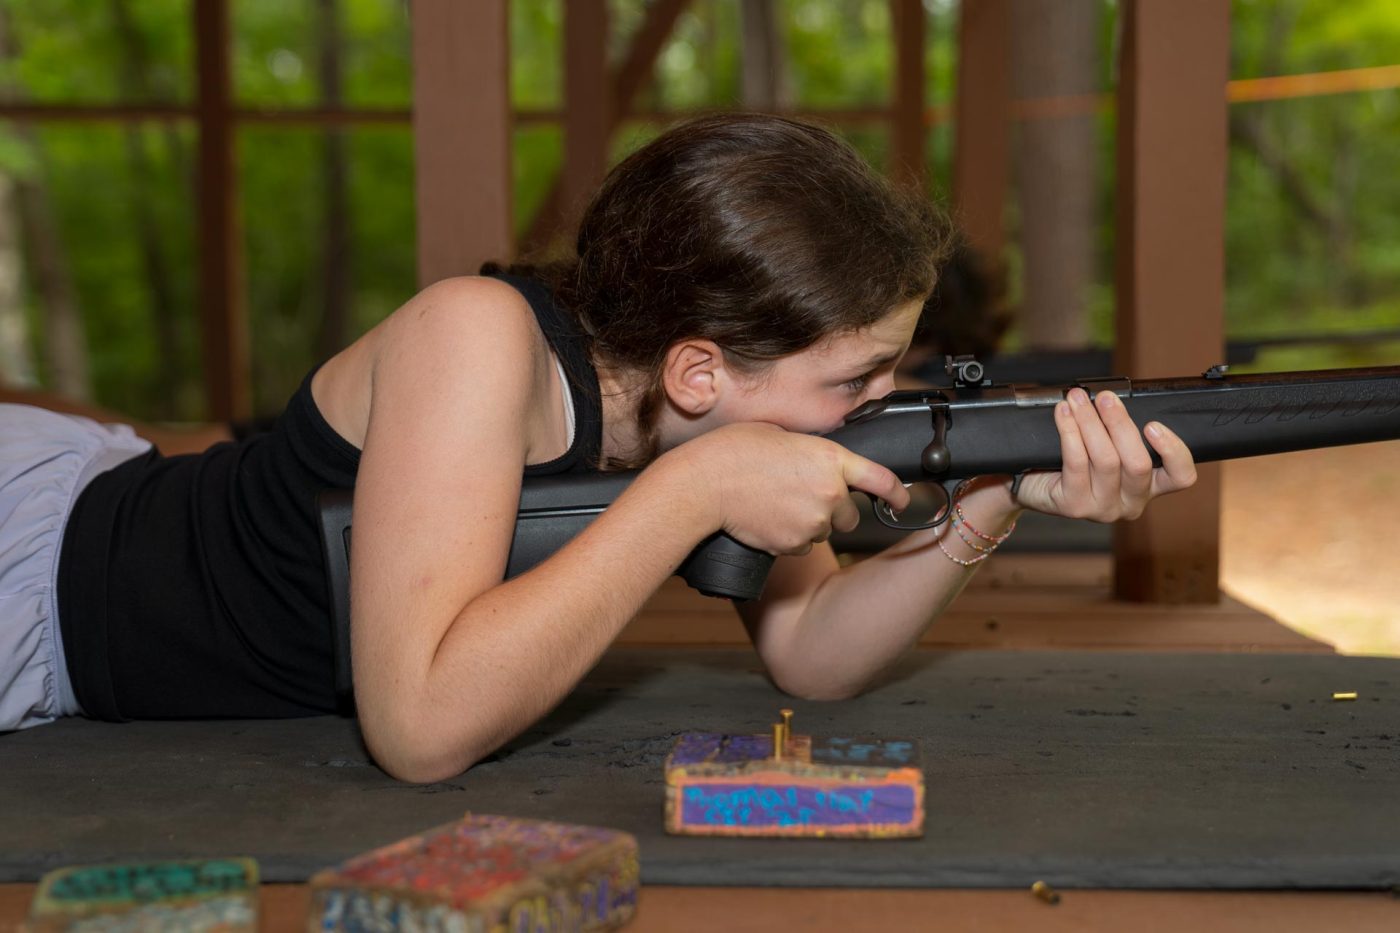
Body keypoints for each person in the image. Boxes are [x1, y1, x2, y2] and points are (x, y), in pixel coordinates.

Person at [0, 114, 1197, 783]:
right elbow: (418, 730)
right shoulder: (477, 338)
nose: (886, 399)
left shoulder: (717, 418)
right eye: (857, 378)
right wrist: (686, 492)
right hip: (34, 571)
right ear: (697, 371)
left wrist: (987, 501)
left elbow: (813, 655)